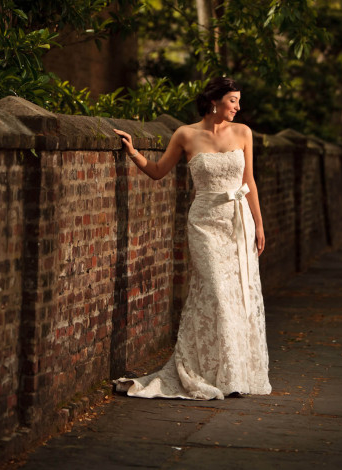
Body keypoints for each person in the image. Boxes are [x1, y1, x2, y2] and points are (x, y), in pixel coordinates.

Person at [112, 77, 272, 400]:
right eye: (233, 101)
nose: (238, 107)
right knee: (215, 292)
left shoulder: (243, 133)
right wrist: (133, 153)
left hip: (236, 224)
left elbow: (249, 180)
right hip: (203, 226)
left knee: (237, 295)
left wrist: (258, 223)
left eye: (239, 101)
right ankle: (214, 372)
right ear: (216, 101)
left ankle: (233, 375)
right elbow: (158, 171)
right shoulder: (185, 134)